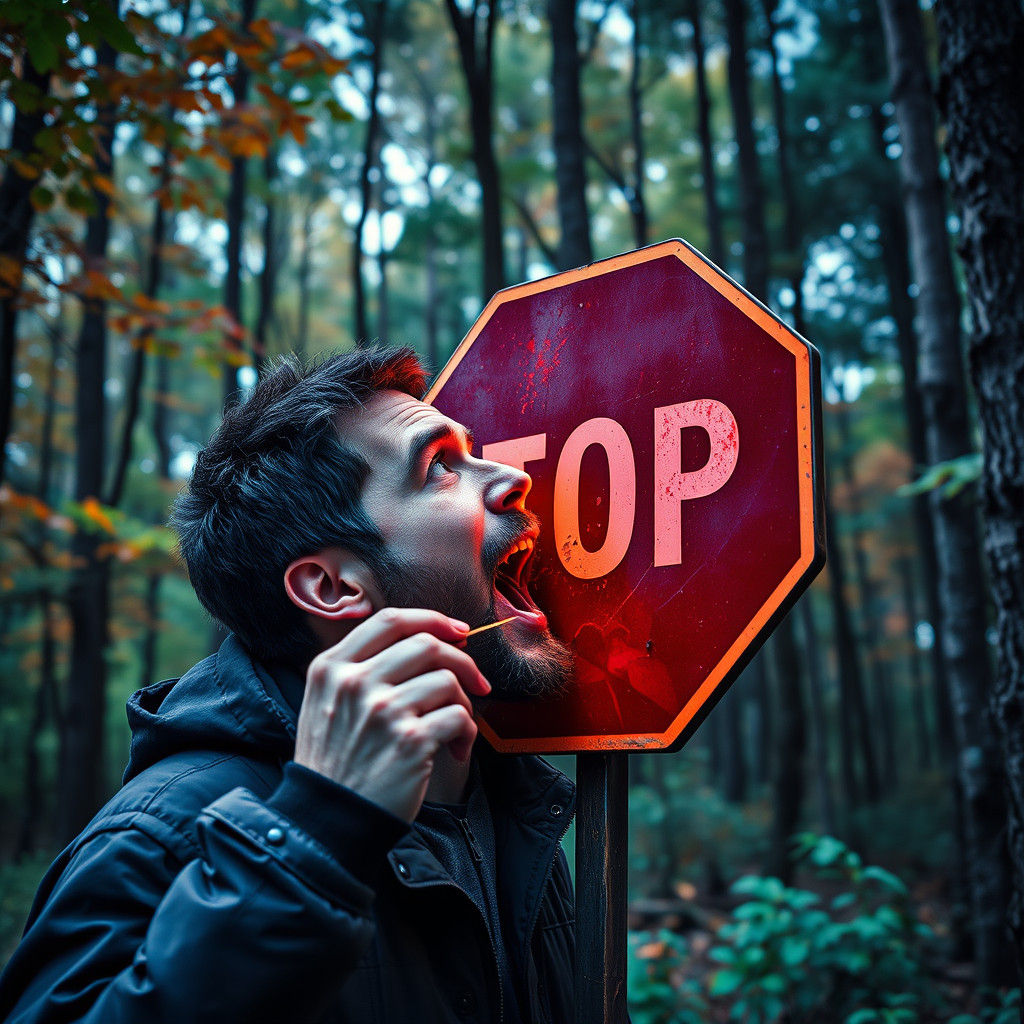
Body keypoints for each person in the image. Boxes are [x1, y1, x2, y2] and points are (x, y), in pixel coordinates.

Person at [0, 348, 576, 1024]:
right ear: (332, 588)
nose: (513, 475)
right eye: (439, 466)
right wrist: (319, 835)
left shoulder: (508, 799)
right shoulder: (163, 831)